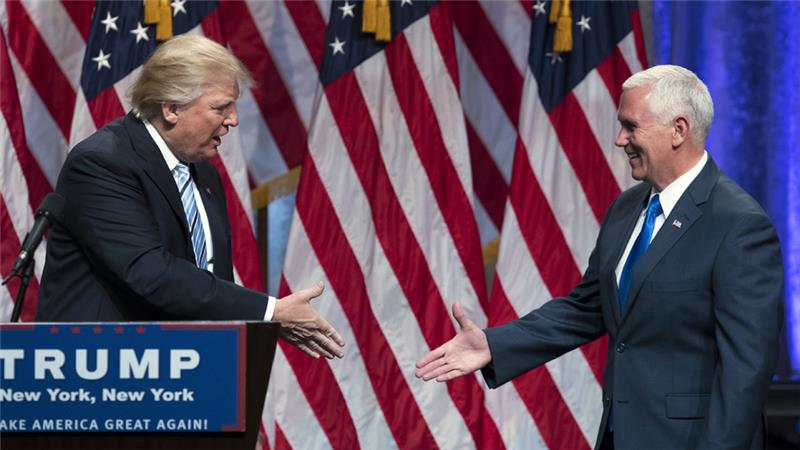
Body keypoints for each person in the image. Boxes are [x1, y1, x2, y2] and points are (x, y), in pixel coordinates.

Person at [416, 65, 784, 449]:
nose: (619, 138)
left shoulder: (738, 225)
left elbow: (746, 372)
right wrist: (496, 345)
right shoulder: (627, 209)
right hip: (617, 436)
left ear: (679, 130)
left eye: (631, 125)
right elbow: (588, 307)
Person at [37, 35, 344, 360]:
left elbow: (207, 278)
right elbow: (150, 273)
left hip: (186, 371)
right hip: (103, 374)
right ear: (171, 109)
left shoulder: (203, 173)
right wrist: (269, 311)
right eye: (221, 107)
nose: (233, 119)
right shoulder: (103, 162)